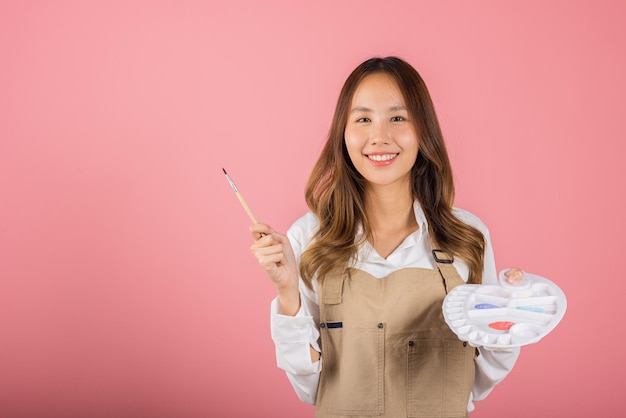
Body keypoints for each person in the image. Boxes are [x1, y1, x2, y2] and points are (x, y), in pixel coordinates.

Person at [250, 56, 522, 417]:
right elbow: (311, 388)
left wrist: (511, 313)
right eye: (363, 119)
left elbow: (480, 377)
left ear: (423, 130)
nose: (380, 136)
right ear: (342, 133)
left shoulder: (467, 237)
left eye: (398, 117)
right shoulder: (310, 238)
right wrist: (287, 292)